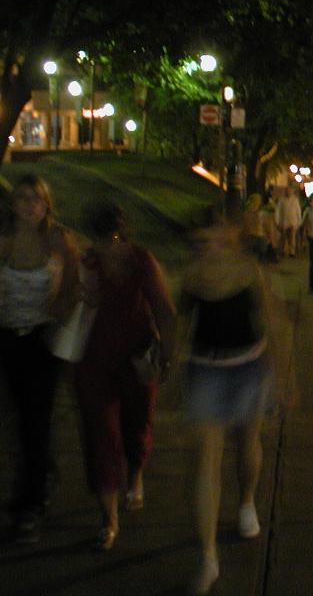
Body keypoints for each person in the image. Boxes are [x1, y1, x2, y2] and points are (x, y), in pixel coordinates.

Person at [73, 201, 176, 551]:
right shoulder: (86, 264)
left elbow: (164, 307)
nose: (110, 246)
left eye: (115, 237)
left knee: (138, 424)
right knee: (101, 436)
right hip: (95, 361)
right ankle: (109, 518)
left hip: (136, 358)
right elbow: (63, 304)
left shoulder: (142, 261)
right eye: (103, 238)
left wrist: (167, 354)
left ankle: (136, 475)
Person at [179, 229, 277, 595]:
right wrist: (173, 371)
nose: (210, 249)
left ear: (232, 245)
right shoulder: (191, 277)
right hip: (205, 368)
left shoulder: (250, 273)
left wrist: (286, 377)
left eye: (218, 241)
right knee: (205, 458)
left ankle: (247, 501)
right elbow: (181, 325)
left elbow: (273, 322)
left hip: (249, 367)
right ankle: (207, 556)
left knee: (247, 442)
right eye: (202, 242)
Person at [0, 173, 79, 543]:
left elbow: (74, 286)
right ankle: (35, 478)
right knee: (13, 420)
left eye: (36, 199)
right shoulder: (5, 240)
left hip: (41, 340)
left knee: (36, 421)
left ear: (46, 205)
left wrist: (58, 319)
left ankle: (31, 502)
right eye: (22, 198)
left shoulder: (58, 240)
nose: (29, 205)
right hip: (6, 337)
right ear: (12, 204)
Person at [275, 185, 302, 258]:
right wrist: (277, 221)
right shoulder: (281, 200)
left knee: (292, 237)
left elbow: (298, 211)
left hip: (293, 222)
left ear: (292, 192)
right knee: (283, 237)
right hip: (284, 222)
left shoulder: (295, 200)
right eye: (287, 191)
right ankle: (283, 250)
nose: (289, 192)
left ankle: (292, 252)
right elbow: (278, 211)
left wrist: (299, 221)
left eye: (290, 191)